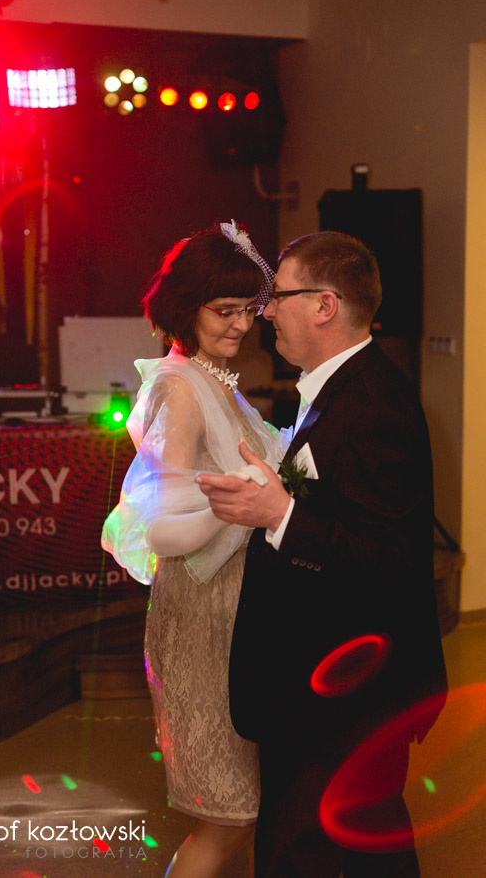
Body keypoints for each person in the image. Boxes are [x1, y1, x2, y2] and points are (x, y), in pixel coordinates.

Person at [196, 231, 448, 878]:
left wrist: (280, 515)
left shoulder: (373, 405)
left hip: (347, 694)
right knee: (372, 847)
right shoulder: (339, 390)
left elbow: (389, 562)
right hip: (329, 685)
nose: (266, 312)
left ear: (324, 305)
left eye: (278, 295)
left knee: (295, 854)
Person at [101, 222, 288, 878]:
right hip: (205, 622)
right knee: (228, 818)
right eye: (224, 310)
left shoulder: (213, 379)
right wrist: (242, 497)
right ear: (186, 308)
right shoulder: (179, 388)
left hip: (238, 617)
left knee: (250, 812)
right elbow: (161, 529)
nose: (241, 324)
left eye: (247, 309)